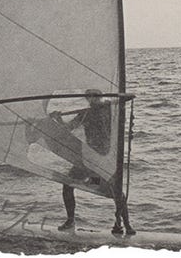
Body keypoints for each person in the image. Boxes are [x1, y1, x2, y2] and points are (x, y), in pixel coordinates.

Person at [44, 91, 135, 238]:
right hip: (88, 160)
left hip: (104, 160)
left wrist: (122, 98)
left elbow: (126, 100)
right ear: (88, 99)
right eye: (89, 98)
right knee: (69, 184)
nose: (91, 100)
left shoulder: (110, 109)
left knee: (116, 190)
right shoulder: (86, 113)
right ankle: (70, 220)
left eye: (94, 97)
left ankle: (126, 224)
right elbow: (68, 128)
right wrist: (58, 119)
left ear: (100, 97)